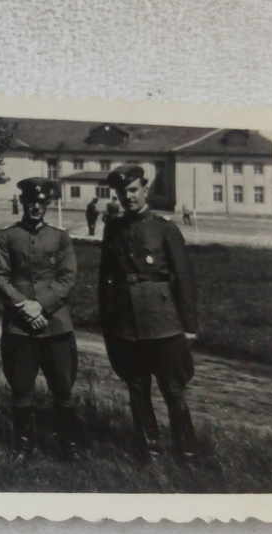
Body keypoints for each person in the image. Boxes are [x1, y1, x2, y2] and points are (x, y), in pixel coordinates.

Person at [98, 165, 200, 461]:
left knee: (173, 389)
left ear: (145, 190)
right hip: (127, 323)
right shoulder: (113, 229)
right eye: (121, 192)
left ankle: (188, 451)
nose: (127, 197)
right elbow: (106, 280)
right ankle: (149, 450)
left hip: (163, 322)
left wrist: (189, 326)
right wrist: (108, 322)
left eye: (132, 190)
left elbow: (184, 277)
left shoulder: (164, 228)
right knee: (137, 388)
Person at [0, 177, 83, 460]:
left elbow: (68, 277)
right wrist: (23, 305)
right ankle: (23, 447)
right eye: (30, 202)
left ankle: (68, 445)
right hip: (19, 327)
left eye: (41, 203)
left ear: (48, 204)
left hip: (56, 325)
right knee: (21, 389)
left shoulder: (60, 237)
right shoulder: (7, 237)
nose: (35, 207)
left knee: (63, 388)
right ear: (22, 202)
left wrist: (40, 305)